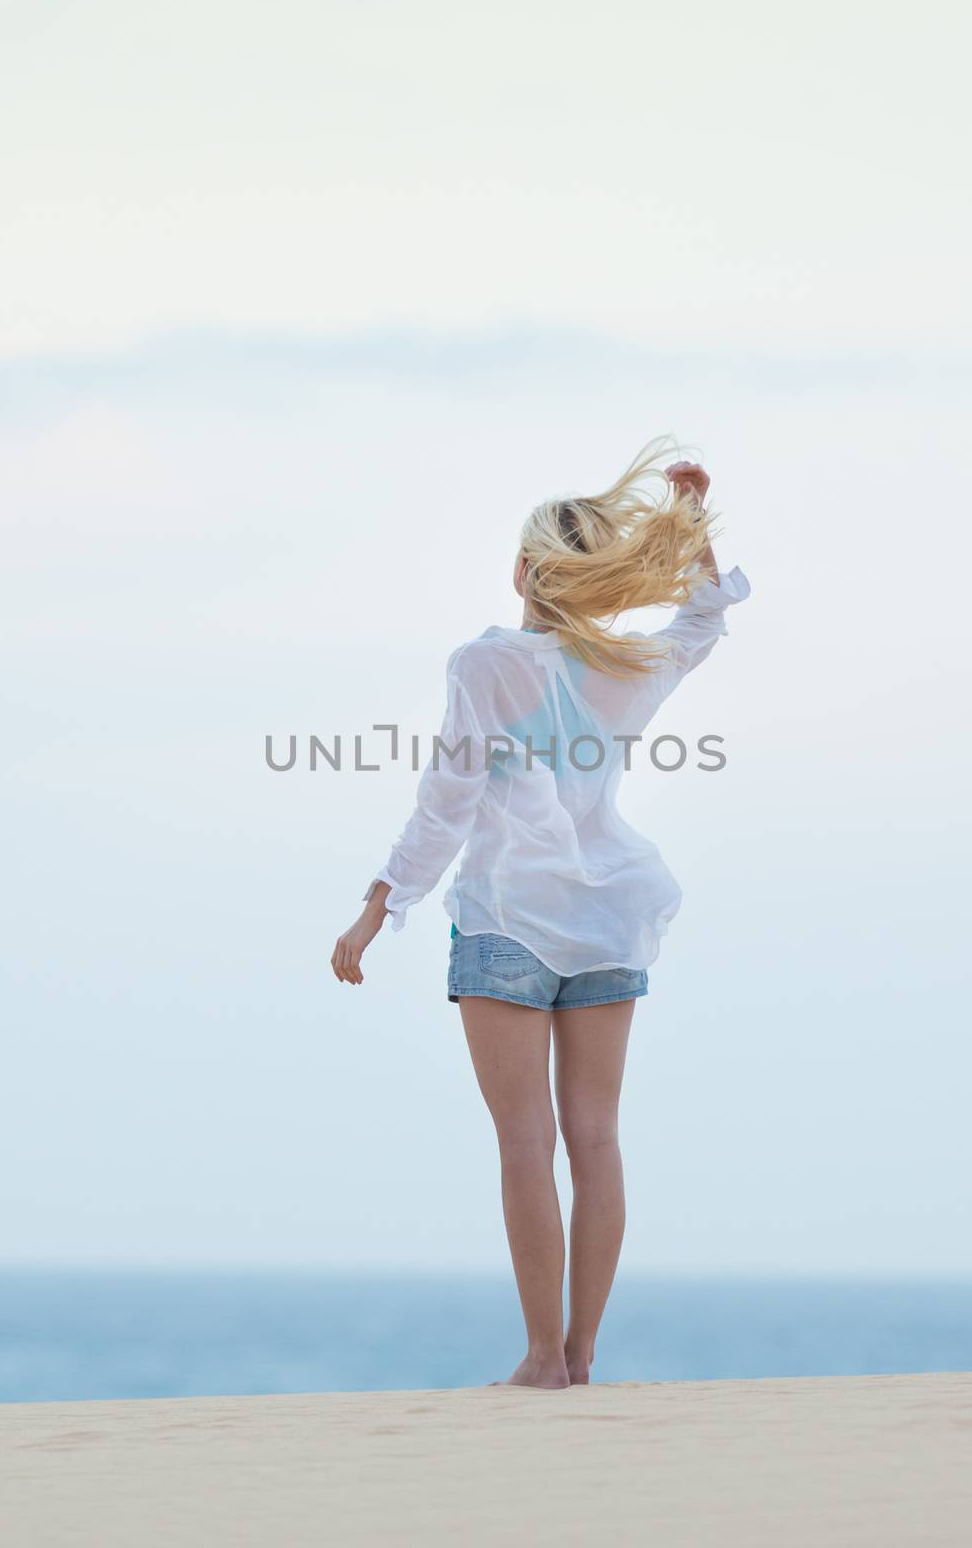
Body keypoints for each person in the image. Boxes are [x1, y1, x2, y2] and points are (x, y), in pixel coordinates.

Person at [330, 437, 750, 1389]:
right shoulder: (631, 665)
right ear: (602, 579)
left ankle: (540, 1360)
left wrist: (375, 911)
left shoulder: (486, 667)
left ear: (522, 571)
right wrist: (688, 524)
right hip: (611, 917)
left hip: (506, 922)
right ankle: (585, 1356)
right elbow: (703, 622)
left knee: (527, 1142)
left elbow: (446, 802)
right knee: (596, 1138)